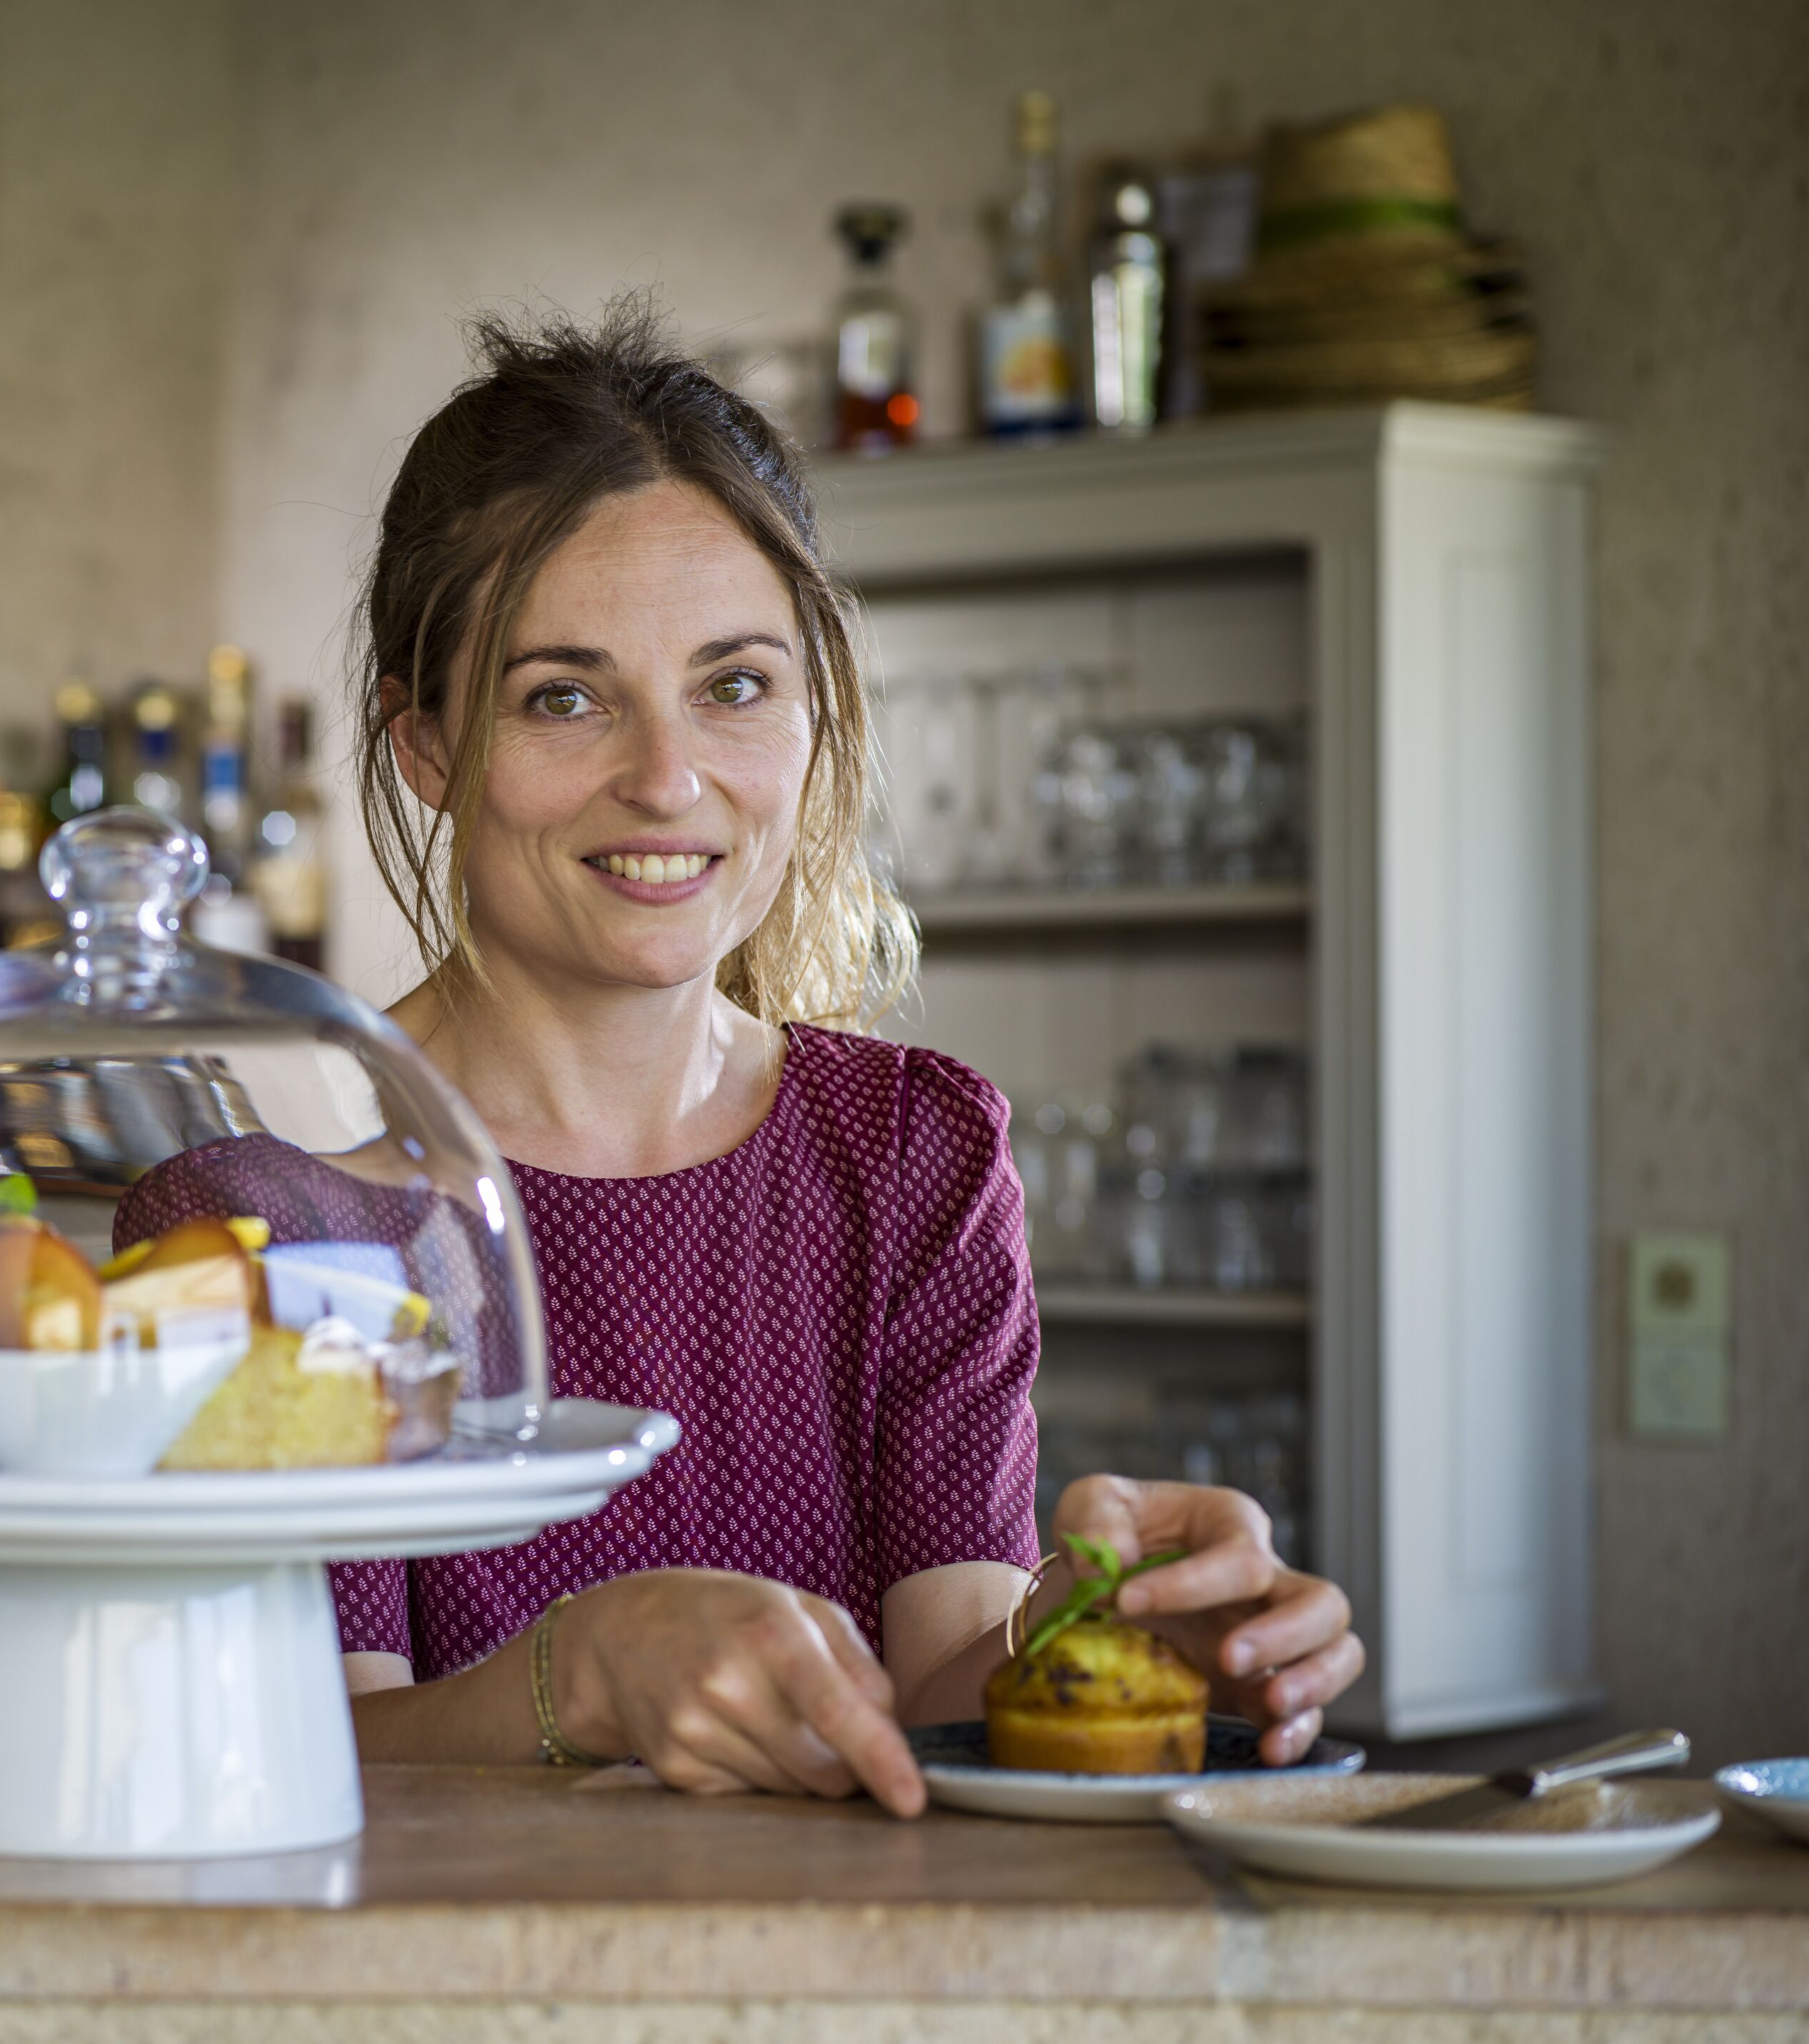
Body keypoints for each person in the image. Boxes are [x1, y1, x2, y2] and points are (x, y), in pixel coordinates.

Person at [119, 300, 1362, 1816]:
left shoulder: (913, 1151)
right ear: (427, 746)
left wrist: (1118, 1634)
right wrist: (581, 1670)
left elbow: (939, 1689)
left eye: (735, 685)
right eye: (563, 694)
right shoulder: (274, 1208)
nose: (666, 777)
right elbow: (287, 1754)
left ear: (812, 716)